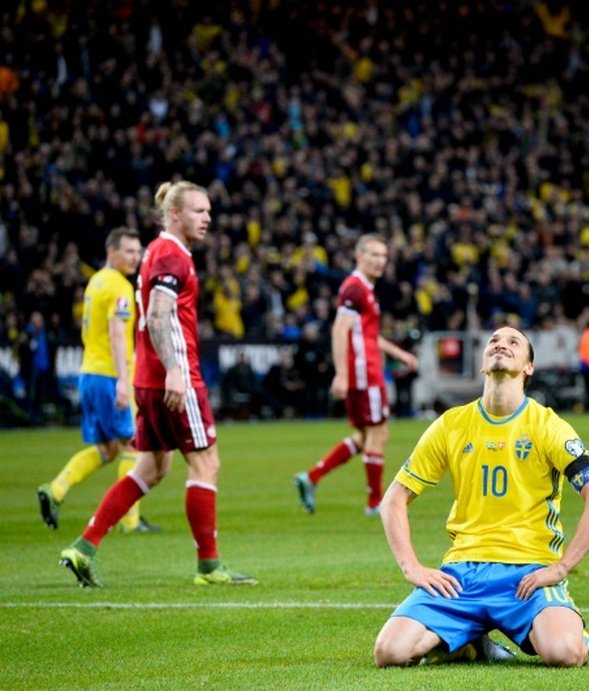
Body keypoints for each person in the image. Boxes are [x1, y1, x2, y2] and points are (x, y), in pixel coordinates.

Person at [373, 325, 589, 667]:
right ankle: (471, 643)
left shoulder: (547, 426)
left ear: (528, 367)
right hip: (462, 575)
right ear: (482, 363)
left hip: (527, 574)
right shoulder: (451, 424)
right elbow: (394, 499)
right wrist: (411, 566)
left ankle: (572, 630)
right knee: (389, 653)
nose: (501, 344)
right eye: (493, 341)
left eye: (513, 341)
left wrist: (561, 568)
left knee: (565, 653)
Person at [59, 180, 257, 587]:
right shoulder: (170, 253)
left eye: (208, 211)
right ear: (175, 213)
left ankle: (83, 546)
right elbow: (162, 313)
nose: (208, 218)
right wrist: (174, 371)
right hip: (174, 374)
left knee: (150, 468)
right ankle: (209, 565)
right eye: (199, 211)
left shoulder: (159, 251)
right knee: (206, 463)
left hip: (146, 377)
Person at [37, 228, 159, 534]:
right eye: (129, 251)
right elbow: (118, 335)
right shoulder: (119, 287)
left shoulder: (96, 282)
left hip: (89, 373)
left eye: (138, 251)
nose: (136, 257)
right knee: (134, 446)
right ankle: (130, 521)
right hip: (109, 376)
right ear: (111, 251)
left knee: (108, 448)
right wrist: (122, 380)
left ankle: (56, 489)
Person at [294, 234, 419, 516]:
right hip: (365, 374)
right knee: (379, 433)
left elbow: (370, 335)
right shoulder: (354, 288)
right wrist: (341, 374)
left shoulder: (363, 289)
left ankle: (311, 478)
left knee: (365, 435)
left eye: (383, 256)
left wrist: (400, 355)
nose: (379, 261)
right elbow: (340, 329)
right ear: (359, 256)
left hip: (365, 371)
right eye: (373, 255)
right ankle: (375, 503)